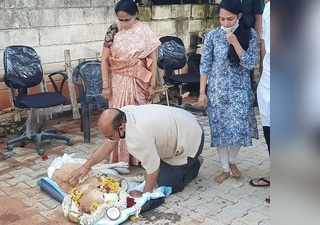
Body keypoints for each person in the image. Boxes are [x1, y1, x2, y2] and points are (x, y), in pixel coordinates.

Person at [69, 104, 204, 206]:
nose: (108, 138)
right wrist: (86, 166)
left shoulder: (137, 137)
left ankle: (193, 163)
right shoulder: (124, 114)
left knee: (166, 184)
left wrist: (145, 195)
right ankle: (182, 163)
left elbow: (153, 168)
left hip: (192, 137)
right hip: (184, 120)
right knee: (155, 173)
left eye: (109, 135)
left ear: (121, 128)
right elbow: (108, 144)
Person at [197, 0, 259, 184]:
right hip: (217, 90)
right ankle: (225, 167)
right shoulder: (213, 36)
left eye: (229, 19)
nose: (225, 23)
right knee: (221, 130)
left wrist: (236, 43)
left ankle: (232, 161)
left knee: (238, 128)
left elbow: (250, 63)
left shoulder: (250, 34)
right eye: (221, 19)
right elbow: (205, 64)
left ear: (238, 16)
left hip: (240, 89)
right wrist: (202, 92)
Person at [101, 0, 161, 169]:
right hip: (118, 81)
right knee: (118, 119)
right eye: (120, 20)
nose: (124, 24)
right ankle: (122, 158)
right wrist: (106, 85)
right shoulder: (112, 30)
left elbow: (153, 60)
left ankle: (141, 157)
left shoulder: (145, 31)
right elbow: (104, 59)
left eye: (127, 20)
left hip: (139, 81)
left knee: (138, 120)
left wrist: (152, 85)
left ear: (136, 16)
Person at [249, 0, 270, 203]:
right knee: (270, 130)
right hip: (270, 79)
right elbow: (264, 43)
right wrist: (263, 72)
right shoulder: (268, 7)